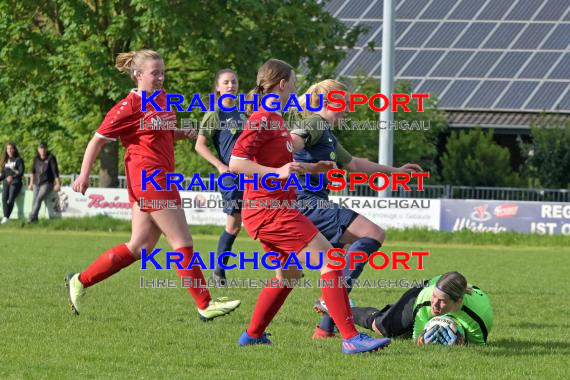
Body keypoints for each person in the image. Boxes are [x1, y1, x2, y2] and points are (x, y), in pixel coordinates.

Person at [229, 58, 391, 354]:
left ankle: (252, 335)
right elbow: (237, 162)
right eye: (293, 81)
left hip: (273, 208)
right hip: (271, 211)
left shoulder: (276, 120)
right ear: (282, 84)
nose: (296, 86)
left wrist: (312, 167)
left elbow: (280, 162)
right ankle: (351, 338)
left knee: (288, 275)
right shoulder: (263, 118)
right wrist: (277, 173)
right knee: (332, 261)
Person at [65, 49, 240, 321]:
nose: (160, 77)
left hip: (154, 179)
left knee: (140, 247)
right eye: (154, 73)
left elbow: (160, 134)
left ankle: (79, 280)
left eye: (162, 72)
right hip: (151, 179)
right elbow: (97, 140)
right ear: (138, 75)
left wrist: (182, 133)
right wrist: (84, 175)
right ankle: (204, 305)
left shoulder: (161, 97)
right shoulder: (128, 106)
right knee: (182, 240)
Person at [289, 79, 423, 339]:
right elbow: (291, 143)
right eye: (345, 103)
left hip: (309, 202)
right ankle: (332, 301)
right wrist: (294, 164)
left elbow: (355, 164)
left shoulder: (326, 132)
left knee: (338, 259)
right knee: (372, 234)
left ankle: (324, 330)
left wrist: (396, 172)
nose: (348, 109)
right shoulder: (315, 123)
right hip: (307, 202)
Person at [195, 69, 247, 282]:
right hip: (231, 177)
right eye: (225, 82)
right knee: (233, 226)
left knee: (261, 220)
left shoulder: (244, 113)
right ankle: (218, 272)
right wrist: (219, 165)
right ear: (218, 87)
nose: (230, 86)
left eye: (233, 82)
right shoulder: (215, 113)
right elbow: (199, 145)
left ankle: (285, 266)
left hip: (252, 175)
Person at [349, 272, 494, 345]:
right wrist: (423, 339)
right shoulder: (426, 298)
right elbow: (417, 338)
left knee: (401, 335)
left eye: (442, 301)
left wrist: (460, 341)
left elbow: (476, 347)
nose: (435, 304)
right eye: (435, 297)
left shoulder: (478, 318)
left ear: (458, 301)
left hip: (459, 304)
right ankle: (339, 307)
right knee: (383, 328)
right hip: (421, 293)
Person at [28, 142, 61, 223]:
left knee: (39, 198)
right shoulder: (36, 158)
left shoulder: (51, 158)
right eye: (40, 148)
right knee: (35, 200)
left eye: (44, 148)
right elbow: (33, 172)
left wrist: (58, 183)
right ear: (38, 149)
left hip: (47, 183)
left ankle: (31, 216)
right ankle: (34, 219)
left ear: (46, 149)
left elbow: (55, 172)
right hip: (36, 183)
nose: (42, 150)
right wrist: (31, 183)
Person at [0, 143, 25, 224]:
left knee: (11, 199)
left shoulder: (18, 160)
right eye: (8, 149)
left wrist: (12, 177)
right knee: (4, 199)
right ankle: (6, 218)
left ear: (14, 149)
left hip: (16, 182)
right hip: (6, 182)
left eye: (11, 148)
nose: (9, 150)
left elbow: (21, 172)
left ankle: (5, 217)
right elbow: (4, 174)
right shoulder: (6, 161)